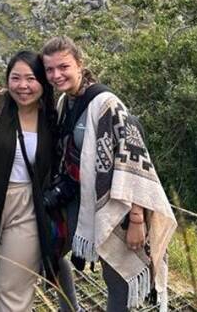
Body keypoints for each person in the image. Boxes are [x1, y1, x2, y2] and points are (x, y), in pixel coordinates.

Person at [41, 36, 177, 312]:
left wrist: (137, 219)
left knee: (116, 281)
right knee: (49, 251)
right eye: (50, 69)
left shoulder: (107, 104)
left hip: (116, 206)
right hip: (79, 201)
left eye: (63, 67)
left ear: (80, 65)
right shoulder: (65, 103)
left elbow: (134, 162)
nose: (56, 75)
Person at [0, 51, 78, 312]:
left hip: (29, 208)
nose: (23, 86)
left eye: (31, 78)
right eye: (16, 78)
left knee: (13, 292)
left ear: (43, 82)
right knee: (2, 286)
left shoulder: (52, 116)